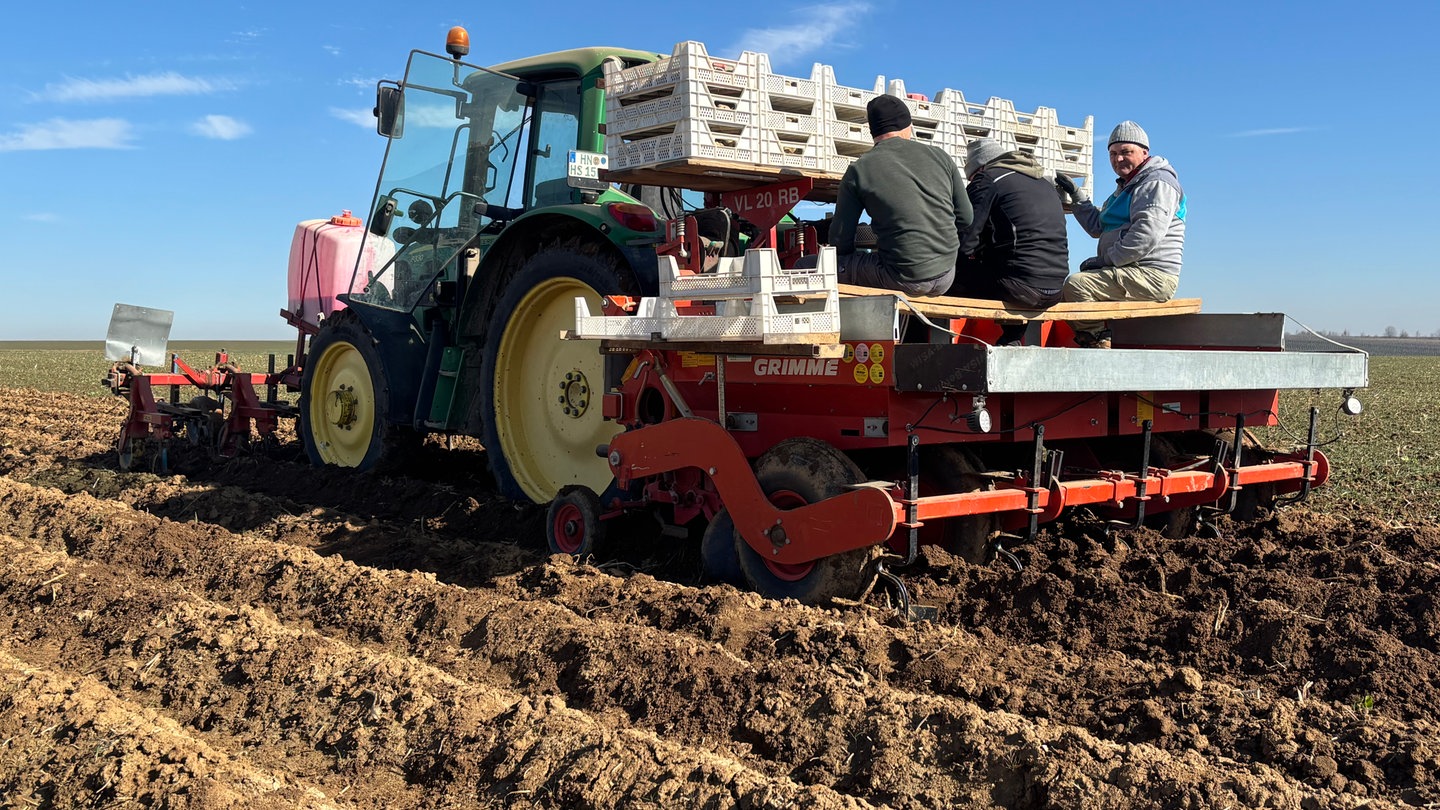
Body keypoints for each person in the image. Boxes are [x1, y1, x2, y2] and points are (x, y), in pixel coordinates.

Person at [824, 94, 974, 296]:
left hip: (901, 277)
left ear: (873, 132)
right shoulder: (941, 156)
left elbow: (840, 239)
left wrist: (847, 263)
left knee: (806, 264)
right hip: (947, 275)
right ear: (908, 126)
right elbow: (966, 217)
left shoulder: (859, 169)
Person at [1056, 120, 1187, 348]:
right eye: (1113, 153)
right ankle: (1096, 338)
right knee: (1065, 290)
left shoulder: (1156, 182)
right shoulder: (1127, 188)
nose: (1118, 159)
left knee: (1078, 286)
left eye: (1126, 152)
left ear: (1144, 152)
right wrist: (1078, 199)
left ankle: (1099, 342)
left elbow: (1146, 235)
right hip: (1130, 270)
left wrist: (1105, 260)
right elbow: (1099, 226)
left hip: (1153, 275)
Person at [953, 137, 1070, 345]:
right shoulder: (1043, 182)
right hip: (1054, 289)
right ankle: (1011, 337)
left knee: (940, 275)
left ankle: (918, 343)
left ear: (978, 169)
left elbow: (964, 241)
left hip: (1021, 290)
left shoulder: (988, 179)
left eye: (971, 179)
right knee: (1012, 261)